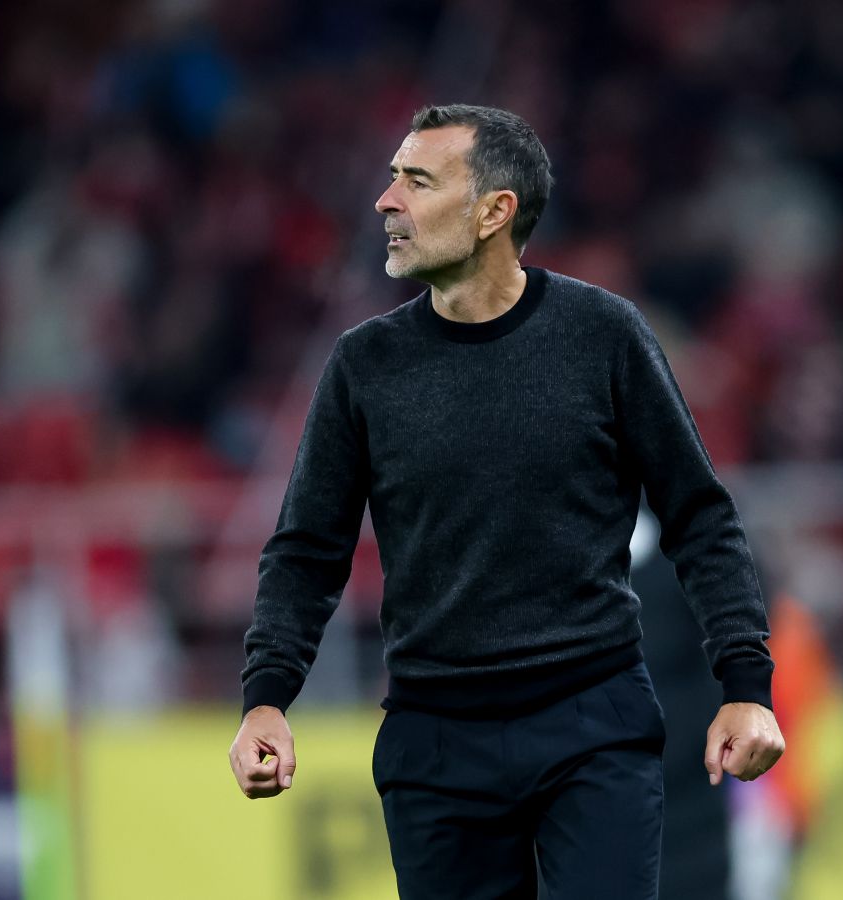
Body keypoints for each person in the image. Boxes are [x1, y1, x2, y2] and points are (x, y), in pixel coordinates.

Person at [230, 104, 784, 899]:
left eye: (418, 181)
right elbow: (307, 551)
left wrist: (746, 687)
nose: (386, 200)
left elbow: (700, 517)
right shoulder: (364, 366)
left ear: (495, 211)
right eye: (392, 178)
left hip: (592, 723)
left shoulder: (604, 336)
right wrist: (266, 700)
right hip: (434, 742)